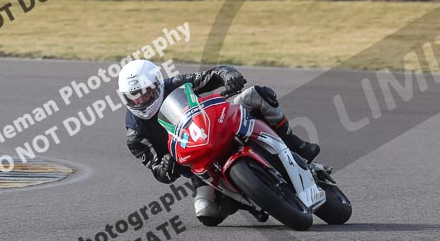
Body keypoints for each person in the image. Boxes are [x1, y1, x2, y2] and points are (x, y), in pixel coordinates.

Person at [118, 59, 319, 226]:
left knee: (256, 94)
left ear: (157, 84)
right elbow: (157, 171)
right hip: (200, 166)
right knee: (206, 212)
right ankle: (246, 199)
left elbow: (214, 73)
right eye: (134, 96)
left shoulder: (175, 84)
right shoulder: (135, 135)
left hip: (220, 124)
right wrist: (165, 167)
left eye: (146, 92)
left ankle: (294, 143)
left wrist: (229, 76)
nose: (142, 100)